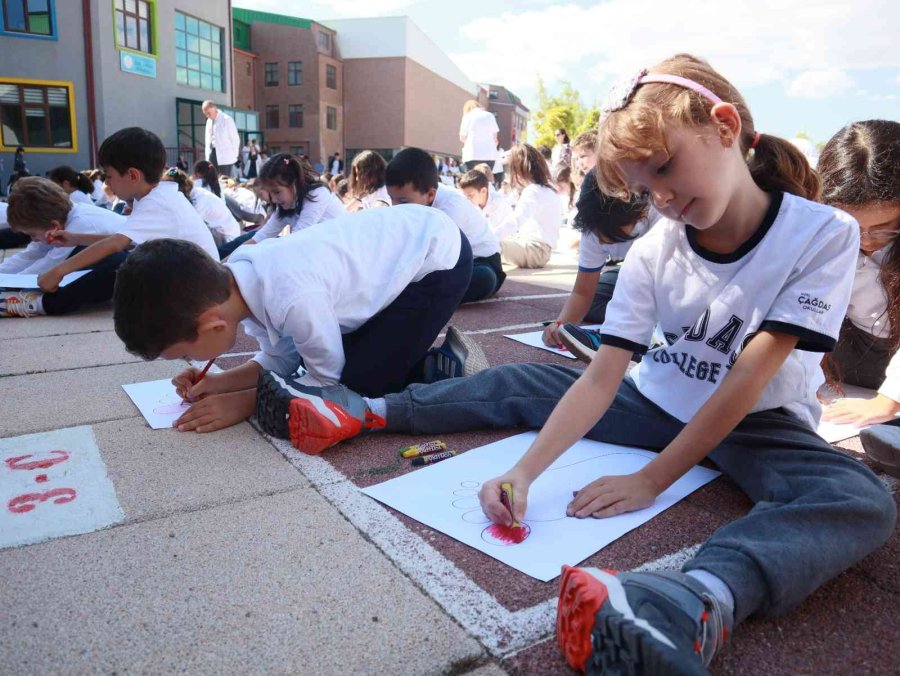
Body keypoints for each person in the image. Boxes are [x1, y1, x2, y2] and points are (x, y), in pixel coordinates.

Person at [260, 54, 895, 675]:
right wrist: (524, 472)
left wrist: (654, 480)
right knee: (525, 381)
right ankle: (364, 411)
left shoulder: (820, 233)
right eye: (647, 187)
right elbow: (601, 373)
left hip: (758, 421)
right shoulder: (654, 249)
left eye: (667, 168)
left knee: (855, 497)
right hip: (656, 400)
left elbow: (749, 375)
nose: (665, 199)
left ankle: (693, 599)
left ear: (725, 127)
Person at [111, 205, 483, 438]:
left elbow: (327, 381)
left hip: (436, 260)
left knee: (360, 385)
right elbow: (280, 359)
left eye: (183, 354)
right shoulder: (241, 283)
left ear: (212, 325)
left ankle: (437, 364)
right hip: (398, 251)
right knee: (314, 357)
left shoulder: (291, 297)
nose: (187, 361)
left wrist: (248, 402)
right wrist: (219, 383)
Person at [34, 127, 218, 294]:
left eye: (109, 176)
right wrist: (76, 239)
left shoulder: (157, 202)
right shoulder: (155, 196)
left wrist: (58, 271)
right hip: (196, 280)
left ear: (132, 175)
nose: (106, 182)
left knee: (120, 266)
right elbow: (128, 241)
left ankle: (43, 303)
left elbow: (116, 243)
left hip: (200, 290)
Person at [815, 120, 900, 478]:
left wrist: (888, 400)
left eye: (884, 228)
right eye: (852, 226)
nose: (866, 240)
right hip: (852, 346)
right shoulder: (816, 234)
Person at [542, 170, 658, 356]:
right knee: (597, 300)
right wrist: (560, 326)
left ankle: (637, 336)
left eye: (614, 236)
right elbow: (582, 293)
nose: (603, 242)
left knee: (636, 295)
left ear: (640, 213)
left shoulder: (661, 217)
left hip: (671, 279)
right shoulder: (594, 225)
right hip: (628, 274)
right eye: (599, 235)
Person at [386, 147, 505, 303]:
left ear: (430, 195)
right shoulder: (413, 198)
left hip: (481, 262)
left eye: (402, 202)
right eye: (391, 199)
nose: (396, 207)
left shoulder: (451, 207)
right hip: (446, 264)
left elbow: (438, 257)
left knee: (484, 278)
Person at [0, 177, 125, 317]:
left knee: (69, 268)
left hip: (128, 269)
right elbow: (28, 256)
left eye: (32, 234)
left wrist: (11, 285)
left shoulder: (81, 223)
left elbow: (48, 265)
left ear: (54, 226)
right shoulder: (65, 219)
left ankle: (36, 302)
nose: (32, 239)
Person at [243, 153, 346, 246]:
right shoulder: (284, 206)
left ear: (294, 184)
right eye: (270, 193)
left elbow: (296, 239)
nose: (273, 200)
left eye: (277, 192)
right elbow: (260, 237)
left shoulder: (318, 194)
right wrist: (229, 261)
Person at [494, 143, 562, 269]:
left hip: (535, 250)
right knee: (490, 243)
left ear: (519, 170)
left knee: (487, 245)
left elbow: (516, 220)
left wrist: (490, 237)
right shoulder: (549, 190)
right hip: (539, 250)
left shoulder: (533, 190)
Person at [162, 168, 241, 246]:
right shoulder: (193, 192)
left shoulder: (199, 200)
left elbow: (189, 227)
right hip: (219, 232)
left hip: (227, 239)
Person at [202, 100, 240, 177]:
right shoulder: (209, 122)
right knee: (212, 178)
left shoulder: (227, 119)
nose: (207, 116)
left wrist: (234, 155)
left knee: (224, 179)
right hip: (212, 154)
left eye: (208, 113)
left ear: (214, 109)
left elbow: (235, 139)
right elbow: (207, 140)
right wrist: (207, 156)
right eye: (205, 114)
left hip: (226, 156)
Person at [459, 100, 499, 171]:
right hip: (489, 154)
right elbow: (495, 139)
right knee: (487, 178)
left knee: (472, 178)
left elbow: (462, 137)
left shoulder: (467, 116)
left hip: (472, 154)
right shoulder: (490, 115)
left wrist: (469, 142)